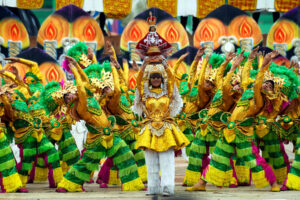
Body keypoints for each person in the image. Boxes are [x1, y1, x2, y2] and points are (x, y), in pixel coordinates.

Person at [132, 55, 190, 196]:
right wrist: (143, 66)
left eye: (158, 77)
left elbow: (171, 80)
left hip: (166, 129)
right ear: (150, 80)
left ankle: (167, 187)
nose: (156, 79)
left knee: (167, 161)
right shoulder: (145, 95)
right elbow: (139, 83)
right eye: (153, 77)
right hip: (149, 128)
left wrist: (165, 64)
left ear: (162, 79)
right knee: (150, 161)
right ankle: (153, 188)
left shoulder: (168, 93)